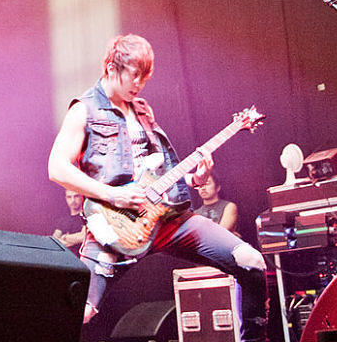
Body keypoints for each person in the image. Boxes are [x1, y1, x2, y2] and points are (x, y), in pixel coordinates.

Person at [46, 34, 267, 342]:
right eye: (133, 76)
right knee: (79, 312)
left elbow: (155, 170)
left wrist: (195, 180)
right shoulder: (84, 110)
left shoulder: (142, 109)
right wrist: (113, 193)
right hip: (115, 227)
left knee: (252, 262)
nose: (138, 85)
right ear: (111, 68)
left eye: (144, 79)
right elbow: (57, 168)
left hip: (167, 220)